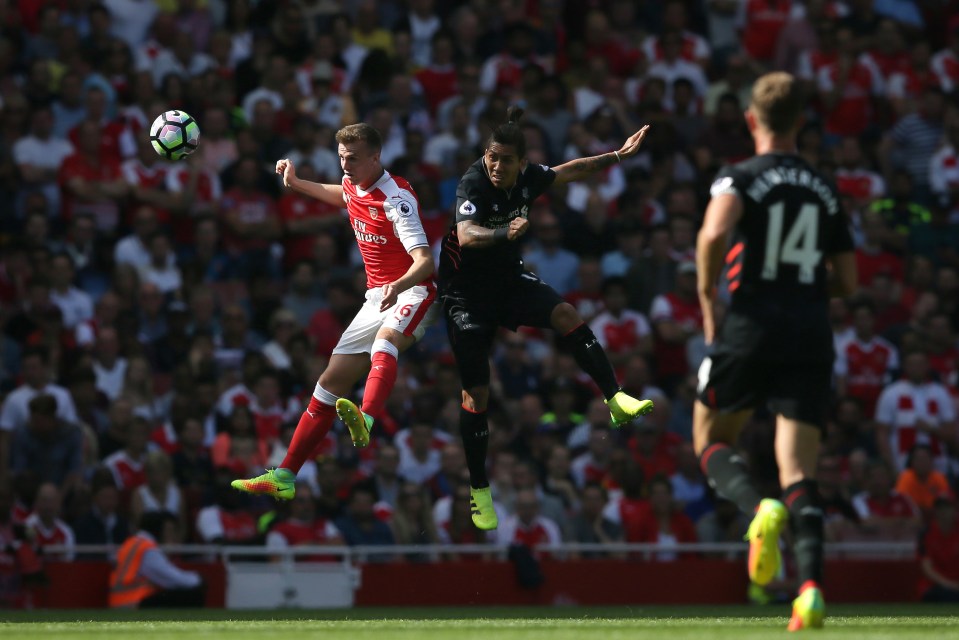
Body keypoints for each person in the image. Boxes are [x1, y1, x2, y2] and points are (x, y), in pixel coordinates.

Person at [436, 106, 655, 531]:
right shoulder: (472, 183)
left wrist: (616, 157)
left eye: (506, 160)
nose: (496, 167)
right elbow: (466, 235)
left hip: (508, 281)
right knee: (476, 395)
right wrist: (505, 233)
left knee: (565, 312)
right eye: (491, 157)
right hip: (465, 295)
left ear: (522, 163)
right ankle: (479, 489)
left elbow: (568, 171)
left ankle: (614, 398)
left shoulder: (530, 176)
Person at [692, 72, 857, 631]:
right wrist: (803, 279)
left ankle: (757, 507)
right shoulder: (824, 185)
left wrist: (708, 298)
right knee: (798, 468)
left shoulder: (738, 176)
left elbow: (714, 236)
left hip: (752, 323)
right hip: (810, 330)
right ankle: (810, 591)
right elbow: (849, 281)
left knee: (711, 438)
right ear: (802, 122)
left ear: (750, 120)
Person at [231, 123, 436, 501]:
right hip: (377, 297)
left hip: (414, 290)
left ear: (376, 157)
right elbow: (342, 194)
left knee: (385, 342)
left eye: (353, 158)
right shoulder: (354, 184)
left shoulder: (397, 198)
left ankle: (367, 417)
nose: (345, 165)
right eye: (341, 157)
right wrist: (296, 183)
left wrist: (399, 285)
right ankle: (285, 476)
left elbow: (425, 262)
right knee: (326, 387)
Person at [108, 511, 205, 609]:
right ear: (159, 530)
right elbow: (170, 577)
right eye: (169, 531)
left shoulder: (132, 543)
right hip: (134, 602)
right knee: (192, 593)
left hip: (120, 601)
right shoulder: (147, 549)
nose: (172, 536)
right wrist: (198, 579)